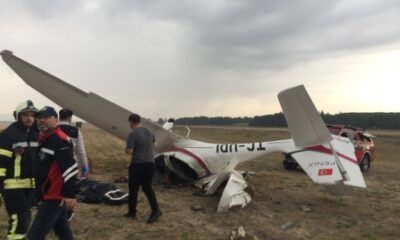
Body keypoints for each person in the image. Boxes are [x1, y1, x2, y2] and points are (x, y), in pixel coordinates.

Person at [27, 106, 79, 240]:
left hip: (54, 195)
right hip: (48, 193)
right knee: (62, 229)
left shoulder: (59, 139)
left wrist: (69, 194)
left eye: (46, 117)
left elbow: (71, 167)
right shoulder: (44, 137)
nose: (41, 120)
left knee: (34, 235)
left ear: (56, 119)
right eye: (40, 118)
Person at [0, 100, 39, 240]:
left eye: (32, 115)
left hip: (29, 187)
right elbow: (0, 164)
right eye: (25, 115)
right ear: (18, 116)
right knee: (19, 219)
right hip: (12, 186)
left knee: (25, 218)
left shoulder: (36, 134)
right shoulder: (8, 135)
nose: (29, 118)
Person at [124, 113, 162, 224]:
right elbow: (155, 146)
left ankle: (132, 213)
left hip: (138, 165)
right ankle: (156, 210)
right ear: (139, 121)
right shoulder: (150, 132)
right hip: (150, 164)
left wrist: (126, 149)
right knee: (147, 188)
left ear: (131, 122)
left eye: (130, 123)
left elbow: (129, 151)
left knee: (133, 189)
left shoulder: (132, 134)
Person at [58, 108, 89, 178]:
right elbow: (81, 151)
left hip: (56, 164)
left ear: (59, 117)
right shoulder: (76, 131)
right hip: (72, 164)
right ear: (70, 117)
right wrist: (85, 166)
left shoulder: (53, 129)